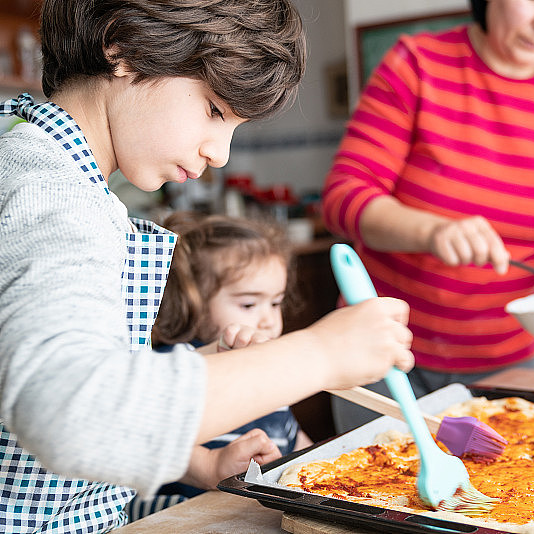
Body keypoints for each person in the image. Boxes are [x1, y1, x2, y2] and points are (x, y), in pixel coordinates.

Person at [0, 1, 413, 532]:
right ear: (124, 48)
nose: (220, 152)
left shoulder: (54, 171)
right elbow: (76, 415)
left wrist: (216, 366)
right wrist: (320, 353)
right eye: (215, 111)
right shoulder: (49, 191)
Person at [322, 0, 534, 431]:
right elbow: (343, 195)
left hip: (511, 366)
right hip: (384, 355)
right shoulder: (417, 64)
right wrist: (430, 231)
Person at [125, 211, 313, 520]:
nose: (268, 319)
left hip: (248, 516)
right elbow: (146, 439)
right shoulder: (176, 367)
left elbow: (297, 443)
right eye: (249, 305)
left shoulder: (270, 374)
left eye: (276, 302)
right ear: (195, 303)